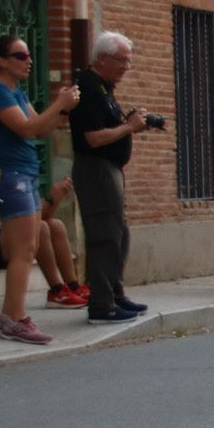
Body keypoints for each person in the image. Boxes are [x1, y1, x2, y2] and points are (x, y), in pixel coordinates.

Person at [0, 34, 80, 346]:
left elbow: (41, 127)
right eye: (20, 56)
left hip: (25, 170)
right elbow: (25, 128)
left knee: (28, 243)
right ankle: (15, 318)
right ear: (1, 61)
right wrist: (59, 104)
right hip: (11, 174)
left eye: (28, 55)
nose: (29, 61)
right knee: (23, 250)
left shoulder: (16, 91)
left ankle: (8, 316)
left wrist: (62, 110)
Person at [69, 32, 160, 325]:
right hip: (96, 169)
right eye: (122, 61)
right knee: (105, 236)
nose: (126, 67)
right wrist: (129, 128)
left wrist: (128, 124)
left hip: (109, 169)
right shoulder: (88, 88)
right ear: (103, 59)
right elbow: (93, 138)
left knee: (119, 234)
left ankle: (115, 294)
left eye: (129, 62)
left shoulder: (103, 87)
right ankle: (102, 305)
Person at [0, 177, 90, 306]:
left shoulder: (22, 178)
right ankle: (56, 290)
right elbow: (30, 217)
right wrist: (52, 197)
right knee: (39, 228)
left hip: (6, 237)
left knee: (56, 225)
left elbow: (43, 215)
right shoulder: (3, 179)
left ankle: (73, 286)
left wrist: (55, 199)